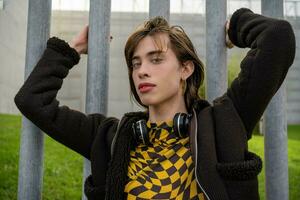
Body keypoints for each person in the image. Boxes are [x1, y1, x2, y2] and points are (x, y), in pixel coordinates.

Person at [14, 7, 295, 200]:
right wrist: (72, 51)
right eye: (135, 64)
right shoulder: (110, 138)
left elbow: (277, 37)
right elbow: (32, 100)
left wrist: (235, 27)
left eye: (156, 59)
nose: (141, 71)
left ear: (185, 69)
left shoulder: (222, 123)